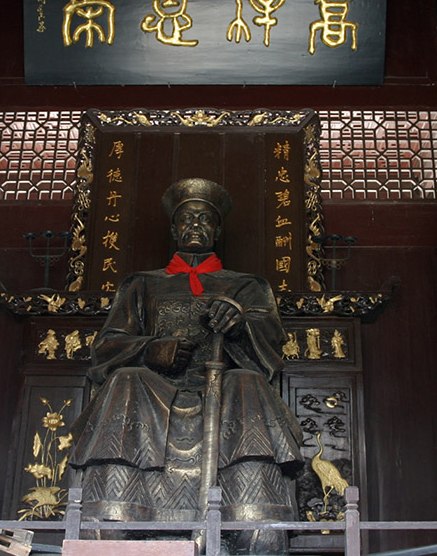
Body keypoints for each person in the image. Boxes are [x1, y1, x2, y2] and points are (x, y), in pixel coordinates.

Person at [70, 178, 304, 554]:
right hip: (152, 388)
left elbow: (270, 344)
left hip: (221, 387)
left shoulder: (247, 286)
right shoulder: (142, 285)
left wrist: (239, 322)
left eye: (204, 219)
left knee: (247, 383)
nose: (195, 226)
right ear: (174, 228)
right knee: (126, 380)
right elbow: (106, 347)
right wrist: (149, 350)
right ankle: (120, 508)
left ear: (218, 229)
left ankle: (248, 511)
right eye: (187, 219)